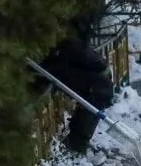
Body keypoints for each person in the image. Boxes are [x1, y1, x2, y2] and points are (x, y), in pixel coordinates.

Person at [37, 16, 116, 154]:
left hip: (67, 58)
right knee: (100, 92)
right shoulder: (65, 42)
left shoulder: (71, 35)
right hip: (56, 63)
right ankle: (76, 142)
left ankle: (78, 140)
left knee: (101, 91)